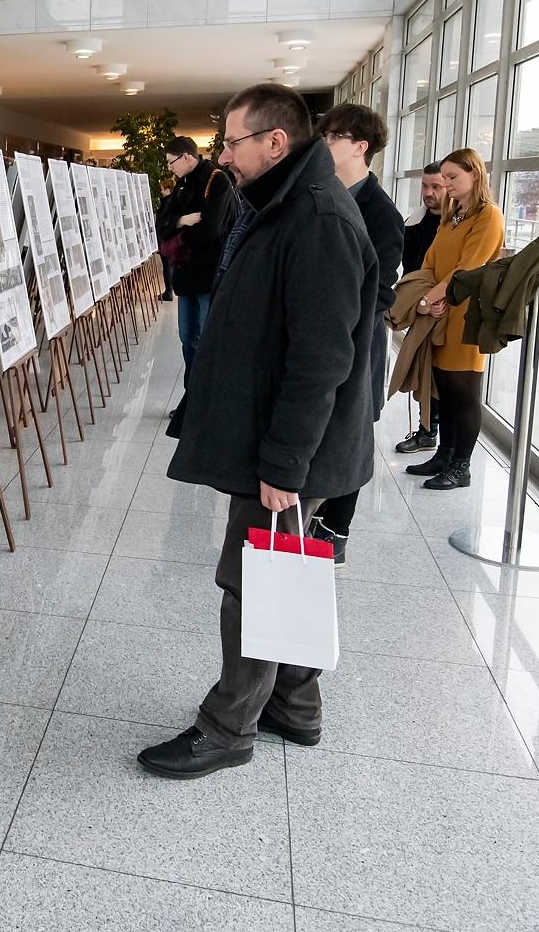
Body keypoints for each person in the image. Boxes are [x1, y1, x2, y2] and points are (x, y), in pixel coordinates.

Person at [139, 84, 377, 779]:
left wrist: (284, 463)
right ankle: (296, 706)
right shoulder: (282, 203)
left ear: (276, 142)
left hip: (289, 447)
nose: (223, 155)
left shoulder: (317, 217)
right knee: (281, 571)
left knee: (251, 577)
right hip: (275, 438)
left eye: (233, 142)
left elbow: (321, 358)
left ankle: (227, 726)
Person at [305, 104, 404, 566]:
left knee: (348, 434)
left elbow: (378, 292)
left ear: (360, 146)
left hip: (356, 340)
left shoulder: (381, 214)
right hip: (314, 337)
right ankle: (303, 522)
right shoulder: (316, 193)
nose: (325, 144)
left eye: (333, 137)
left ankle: (333, 530)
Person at [404, 148, 505, 490]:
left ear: (474, 175)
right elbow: (431, 263)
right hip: (442, 312)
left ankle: (461, 466)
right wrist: (428, 300)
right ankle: (444, 455)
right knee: (443, 389)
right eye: (443, 178)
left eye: (452, 177)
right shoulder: (452, 216)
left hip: (467, 315)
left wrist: (428, 299)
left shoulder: (488, 216)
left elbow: (469, 268)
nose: (445, 184)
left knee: (464, 392)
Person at [155, 136, 235, 392]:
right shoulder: (181, 185)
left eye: (171, 162)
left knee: (205, 340)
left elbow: (211, 229)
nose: (170, 169)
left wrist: (178, 232)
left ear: (187, 157)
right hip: (185, 275)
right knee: (187, 338)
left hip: (209, 274)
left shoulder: (217, 180)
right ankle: (191, 395)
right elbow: (162, 225)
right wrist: (182, 222)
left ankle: (204, 395)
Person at [395, 161, 447, 454]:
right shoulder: (413, 223)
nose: (428, 192)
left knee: (445, 377)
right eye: (425, 186)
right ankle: (428, 431)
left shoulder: (458, 225)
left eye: (436, 186)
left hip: (451, 309)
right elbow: (411, 271)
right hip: (424, 308)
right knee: (424, 373)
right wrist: (421, 304)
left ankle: (440, 439)